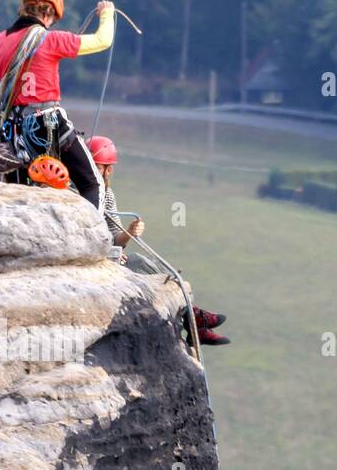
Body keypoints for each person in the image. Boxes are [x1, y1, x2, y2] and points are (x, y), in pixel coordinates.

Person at [0, 0, 114, 209]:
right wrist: (106, 12)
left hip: (13, 136)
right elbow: (103, 40)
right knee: (91, 185)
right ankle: (92, 239)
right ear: (50, 15)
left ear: (24, 8)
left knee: (16, 198)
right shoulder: (51, 39)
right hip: (48, 125)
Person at [89, 135, 231, 347]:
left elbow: (114, 237)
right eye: (95, 166)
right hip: (97, 260)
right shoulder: (78, 193)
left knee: (151, 266)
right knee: (141, 263)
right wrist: (112, 252)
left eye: (101, 167)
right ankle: (194, 320)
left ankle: (193, 321)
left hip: (110, 256)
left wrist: (128, 232)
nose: (98, 172)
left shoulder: (106, 195)